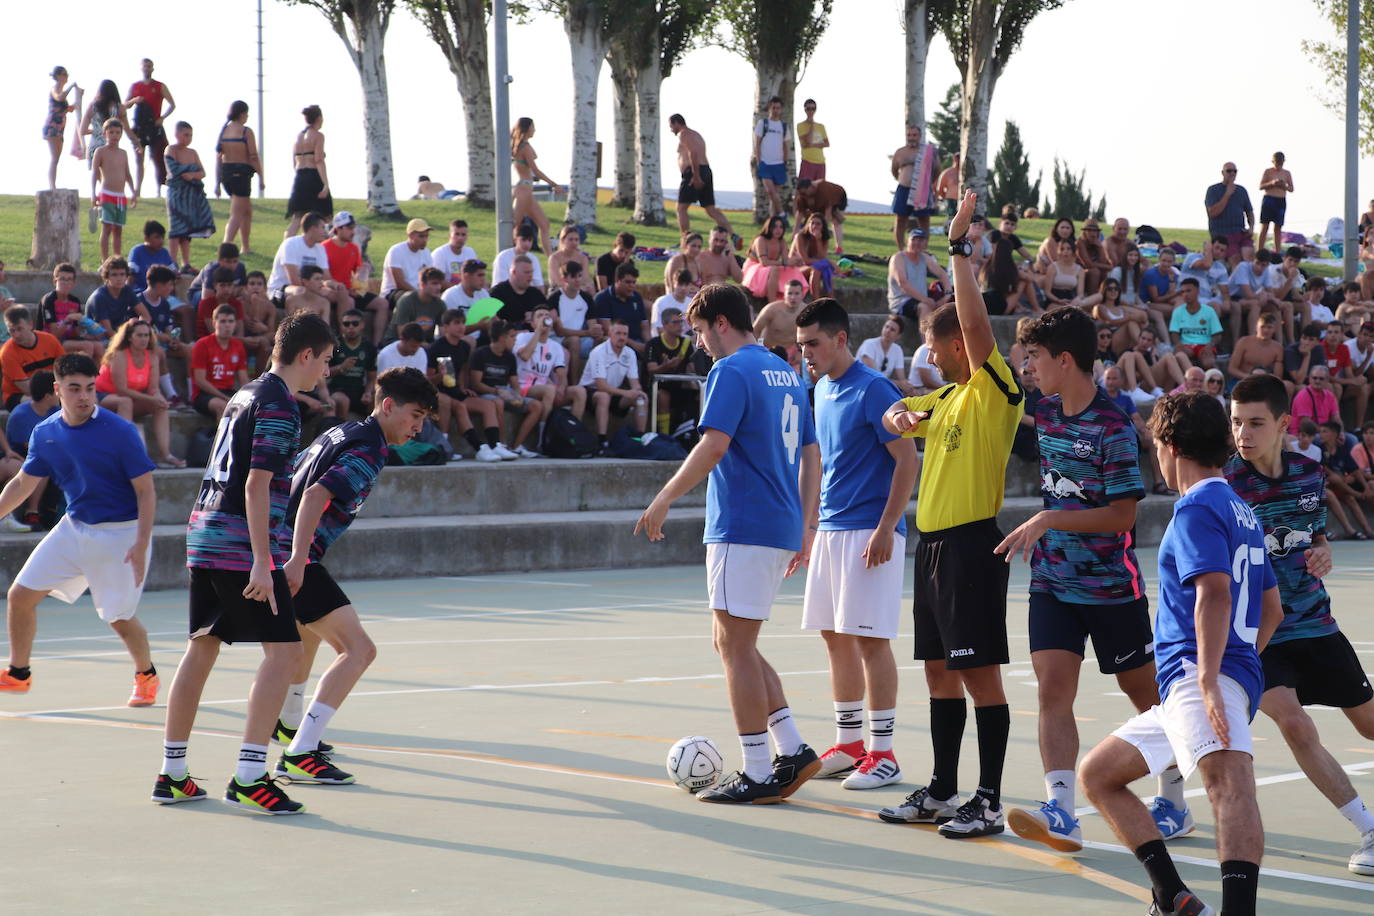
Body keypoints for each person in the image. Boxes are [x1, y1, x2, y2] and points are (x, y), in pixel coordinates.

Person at [1079, 391, 1281, 916]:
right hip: (1192, 682)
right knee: (1098, 774)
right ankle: (1171, 895)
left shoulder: (1196, 507)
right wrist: (1239, 665)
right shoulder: (1241, 508)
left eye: (1155, 447)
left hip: (1197, 673)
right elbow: (1272, 608)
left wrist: (1214, 678)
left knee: (1228, 786)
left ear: (1169, 444)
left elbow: (1213, 591)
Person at [995, 307, 1173, 855]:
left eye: (1035, 358)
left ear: (1065, 360)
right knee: (1052, 690)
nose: (1028, 368)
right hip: (1051, 582)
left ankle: (1173, 795)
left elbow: (1123, 516)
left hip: (1111, 589)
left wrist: (1050, 518)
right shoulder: (1045, 415)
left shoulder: (1115, 426)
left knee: (1146, 696)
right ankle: (1062, 810)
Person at [635, 283, 821, 804]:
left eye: (699, 331)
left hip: (743, 522)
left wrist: (665, 496)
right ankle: (793, 747)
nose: (699, 344)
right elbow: (811, 455)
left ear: (721, 323)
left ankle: (758, 770)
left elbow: (713, 442)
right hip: (780, 523)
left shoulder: (732, 369)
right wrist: (805, 524)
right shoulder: (786, 372)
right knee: (732, 642)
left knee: (734, 648)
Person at [875, 190, 1022, 838]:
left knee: (979, 674)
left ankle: (987, 799)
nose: (929, 358)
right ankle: (942, 787)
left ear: (959, 345)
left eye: (937, 350)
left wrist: (959, 249)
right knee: (938, 672)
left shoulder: (991, 390)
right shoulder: (945, 396)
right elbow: (895, 412)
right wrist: (897, 415)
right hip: (931, 547)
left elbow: (977, 326)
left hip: (969, 547)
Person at [155, 312, 334, 814]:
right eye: (323, 360)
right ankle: (252, 774)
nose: (324, 371)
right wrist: (262, 559)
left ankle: (172, 772)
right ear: (304, 356)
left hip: (204, 530)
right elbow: (256, 484)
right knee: (284, 653)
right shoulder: (280, 405)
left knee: (202, 647)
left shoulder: (243, 394)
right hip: (239, 543)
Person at [1225, 375, 1374, 874]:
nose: (1244, 433)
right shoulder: (1224, 487)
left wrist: (1325, 550)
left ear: (1284, 424)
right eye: (1237, 422)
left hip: (1316, 622)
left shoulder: (1310, 473)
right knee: (1294, 723)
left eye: (1256, 423)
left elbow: (1315, 536)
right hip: (1262, 637)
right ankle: (1369, 831)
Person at [277, 367, 438, 786]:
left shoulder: (343, 431)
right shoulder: (368, 449)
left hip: (279, 547)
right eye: (415, 415)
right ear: (388, 406)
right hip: (294, 557)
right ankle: (301, 753)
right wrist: (296, 558)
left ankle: (290, 723)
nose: (418, 426)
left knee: (308, 635)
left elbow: (293, 475)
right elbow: (313, 495)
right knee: (359, 650)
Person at [794, 298, 918, 790]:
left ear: (841, 339)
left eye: (814, 344)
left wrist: (888, 528)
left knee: (870, 641)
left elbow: (908, 460)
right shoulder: (820, 388)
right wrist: (809, 530)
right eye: (801, 346)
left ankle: (883, 753)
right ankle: (849, 745)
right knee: (832, 634)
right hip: (830, 528)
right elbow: (823, 463)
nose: (806, 354)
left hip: (870, 531)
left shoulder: (874, 388)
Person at [0, 354, 159, 703]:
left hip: (122, 533)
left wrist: (141, 543)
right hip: (74, 527)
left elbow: (146, 491)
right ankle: (19, 673)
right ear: (57, 390)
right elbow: (24, 484)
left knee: (118, 619)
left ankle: (146, 674)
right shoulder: (45, 433)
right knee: (19, 597)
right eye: (74, 389)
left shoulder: (120, 432)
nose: (85, 397)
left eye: (90, 388)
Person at [95, 319, 182, 468]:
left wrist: (159, 399)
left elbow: (153, 389)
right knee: (125, 401)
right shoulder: (120, 355)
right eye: (140, 335)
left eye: (147, 335)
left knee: (161, 406)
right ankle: (127, 454)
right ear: (130, 337)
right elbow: (121, 390)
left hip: (131, 398)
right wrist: (150, 398)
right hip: (103, 396)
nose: (144, 339)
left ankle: (165, 454)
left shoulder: (152, 356)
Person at [427, 310, 510, 461]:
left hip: (456, 391)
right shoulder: (436, 347)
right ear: (445, 327)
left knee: (489, 406)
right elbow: (428, 379)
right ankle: (472, 447)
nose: (461, 327)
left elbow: (463, 370)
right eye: (456, 323)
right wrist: (441, 376)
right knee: (459, 406)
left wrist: (463, 386)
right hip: (439, 392)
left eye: (463, 323)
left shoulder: (464, 346)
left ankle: (495, 445)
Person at [468, 319, 542, 457]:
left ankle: (517, 446)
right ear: (502, 338)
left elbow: (514, 383)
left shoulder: (510, 357)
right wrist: (497, 392)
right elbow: (476, 384)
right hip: (487, 394)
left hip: (506, 393)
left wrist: (517, 396)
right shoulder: (481, 354)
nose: (515, 340)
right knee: (498, 402)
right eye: (512, 336)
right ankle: (501, 445)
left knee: (536, 405)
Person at [580, 319, 648, 453]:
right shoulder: (598, 352)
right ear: (610, 333)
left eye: (625, 334)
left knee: (642, 398)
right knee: (604, 396)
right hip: (591, 392)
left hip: (614, 393)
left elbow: (634, 382)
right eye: (618, 333)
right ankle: (602, 441)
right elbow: (600, 385)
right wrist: (626, 393)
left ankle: (641, 438)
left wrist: (637, 391)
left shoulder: (630, 353)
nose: (622, 337)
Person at [1102, 364, 1169, 492]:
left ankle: (1158, 483)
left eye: (1114, 378)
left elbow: (1136, 418)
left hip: (1127, 435)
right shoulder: (1099, 395)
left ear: (1122, 380)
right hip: (1107, 436)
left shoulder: (1126, 399)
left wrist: (1145, 431)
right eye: (1108, 378)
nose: (1110, 382)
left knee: (1151, 440)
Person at [516, 305, 585, 429]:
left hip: (546, 390)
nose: (544, 318)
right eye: (540, 316)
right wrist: (538, 331)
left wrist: (562, 387)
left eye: (547, 315)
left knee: (579, 391)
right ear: (532, 323)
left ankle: (574, 433)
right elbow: (525, 356)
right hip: (522, 388)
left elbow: (561, 373)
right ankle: (543, 436)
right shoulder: (523, 337)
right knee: (549, 389)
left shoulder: (556, 346)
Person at [669, 114, 736, 241]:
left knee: (681, 208)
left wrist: (696, 176)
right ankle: (733, 234)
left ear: (677, 123)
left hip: (694, 173)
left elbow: (693, 153)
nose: (671, 129)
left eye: (671, 126)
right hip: (705, 170)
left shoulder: (684, 134)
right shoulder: (696, 135)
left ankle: (685, 240)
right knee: (710, 209)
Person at [164, 122, 215, 273]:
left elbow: (202, 173)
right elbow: (174, 169)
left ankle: (185, 263)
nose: (188, 138)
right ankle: (172, 263)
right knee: (176, 230)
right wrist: (191, 170)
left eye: (191, 135)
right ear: (177, 134)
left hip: (191, 195)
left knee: (187, 232)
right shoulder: (171, 149)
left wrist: (192, 174)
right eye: (186, 135)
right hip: (176, 193)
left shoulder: (192, 152)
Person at [509, 117, 563, 255]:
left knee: (544, 224)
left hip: (525, 190)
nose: (535, 130)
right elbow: (536, 170)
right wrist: (554, 184)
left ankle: (551, 258)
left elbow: (534, 157)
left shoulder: (521, 145)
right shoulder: (524, 147)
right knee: (514, 225)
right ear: (527, 128)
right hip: (523, 189)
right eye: (533, 127)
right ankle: (509, 254)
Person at [216, 100, 263, 256]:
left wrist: (217, 183)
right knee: (236, 213)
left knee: (246, 210)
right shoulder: (245, 132)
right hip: (241, 175)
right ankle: (226, 245)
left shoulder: (224, 131)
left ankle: (245, 246)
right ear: (242, 114)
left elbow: (218, 157)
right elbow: (254, 156)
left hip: (226, 174)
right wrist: (262, 177)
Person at [190, 305, 250, 419]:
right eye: (222, 321)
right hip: (204, 394)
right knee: (223, 406)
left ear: (235, 324)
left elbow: (244, 380)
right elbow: (200, 381)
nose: (227, 325)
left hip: (228, 392)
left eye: (230, 321)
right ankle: (222, 437)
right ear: (214, 323)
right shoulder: (202, 345)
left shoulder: (238, 346)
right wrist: (224, 398)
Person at [124, 59, 174, 198]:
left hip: (154, 125)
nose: (147, 68)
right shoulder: (135, 86)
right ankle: (137, 190)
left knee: (158, 158)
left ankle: (158, 190)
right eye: (145, 66)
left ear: (153, 69)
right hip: (140, 126)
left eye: (149, 66)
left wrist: (162, 118)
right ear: (141, 68)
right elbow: (125, 105)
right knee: (139, 159)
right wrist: (135, 100)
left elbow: (172, 104)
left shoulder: (159, 86)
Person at [1, 307, 67, 411]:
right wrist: (54, 397)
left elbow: (65, 370)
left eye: (19, 329)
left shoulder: (50, 340)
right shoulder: (7, 353)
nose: (16, 335)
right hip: (18, 395)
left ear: (30, 325)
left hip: (51, 390)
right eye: (12, 331)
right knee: (41, 403)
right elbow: (26, 388)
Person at [91, 119, 138, 260]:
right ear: (105, 133)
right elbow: (94, 173)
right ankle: (105, 260)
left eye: (117, 132)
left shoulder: (123, 153)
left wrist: (134, 192)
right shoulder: (100, 151)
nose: (114, 135)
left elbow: (127, 174)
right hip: (106, 194)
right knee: (107, 228)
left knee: (118, 230)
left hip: (120, 196)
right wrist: (93, 194)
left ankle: (117, 258)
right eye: (111, 132)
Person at [646, 307, 698, 434]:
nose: (680, 326)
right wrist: (666, 366)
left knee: (699, 393)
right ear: (664, 325)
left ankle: (690, 434)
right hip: (657, 387)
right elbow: (651, 370)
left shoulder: (685, 343)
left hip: (679, 385)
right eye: (675, 322)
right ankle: (664, 435)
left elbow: (691, 369)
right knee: (663, 396)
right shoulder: (654, 344)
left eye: (681, 322)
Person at [42, 263, 104, 362]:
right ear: (55, 281)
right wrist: (67, 320)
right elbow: (54, 335)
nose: (66, 283)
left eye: (69, 279)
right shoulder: (49, 300)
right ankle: (82, 376)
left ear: (74, 283)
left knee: (99, 346)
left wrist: (88, 334)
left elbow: (76, 331)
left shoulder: (75, 302)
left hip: (69, 339)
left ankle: (97, 377)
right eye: (62, 279)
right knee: (87, 346)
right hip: (51, 340)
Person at [890, 125, 940, 246]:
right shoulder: (900, 152)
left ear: (920, 136)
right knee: (901, 219)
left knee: (923, 220)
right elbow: (894, 170)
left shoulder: (929, 151)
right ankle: (901, 248)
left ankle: (923, 248)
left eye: (914, 135)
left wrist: (927, 183)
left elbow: (937, 169)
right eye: (909, 135)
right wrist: (903, 179)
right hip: (903, 189)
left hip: (922, 191)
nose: (911, 138)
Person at [286, 105, 331, 236]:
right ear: (319, 118)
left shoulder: (298, 137)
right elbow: (319, 160)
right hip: (314, 176)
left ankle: (286, 246)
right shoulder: (318, 136)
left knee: (297, 218)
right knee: (326, 216)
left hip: (300, 177)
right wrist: (325, 185)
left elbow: (294, 162)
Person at [591, 262, 650, 355]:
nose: (632, 286)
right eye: (628, 282)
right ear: (617, 280)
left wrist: (649, 344)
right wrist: (635, 344)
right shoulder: (603, 298)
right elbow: (608, 330)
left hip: (638, 340)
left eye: (634, 282)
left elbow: (644, 326)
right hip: (617, 341)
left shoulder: (636, 297)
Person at [327, 309, 378, 418]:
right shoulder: (334, 345)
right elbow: (322, 373)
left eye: (355, 323)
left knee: (377, 400)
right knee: (342, 400)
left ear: (362, 325)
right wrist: (341, 367)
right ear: (341, 326)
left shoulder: (369, 348)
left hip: (359, 389)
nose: (351, 327)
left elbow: (371, 378)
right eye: (346, 324)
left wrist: (368, 392)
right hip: (336, 388)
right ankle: (341, 433)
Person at [1205, 161, 1255, 263]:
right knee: (1235, 258)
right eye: (1229, 171)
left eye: (1235, 171)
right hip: (1222, 233)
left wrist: (1251, 228)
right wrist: (1227, 194)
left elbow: (1249, 212)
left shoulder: (1241, 190)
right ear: (1222, 173)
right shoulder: (1213, 190)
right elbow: (1213, 213)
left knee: (1249, 257)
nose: (1232, 173)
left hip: (1240, 231)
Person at [1169, 279, 1222, 370]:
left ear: (1197, 291)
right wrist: (1178, 344)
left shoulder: (1209, 311)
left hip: (1204, 345)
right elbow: (1174, 333)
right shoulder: (1178, 312)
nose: (1185, 294)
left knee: (1208, 363)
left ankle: (1217, 380)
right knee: (1179, 354)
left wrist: (1210, 345)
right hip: (1186, 345)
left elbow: (1217, 334)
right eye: (1183, 292)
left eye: (1189, 291)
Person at [752, 97, 790, 221]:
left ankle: (773, 222)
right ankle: (783, 215)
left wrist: (785, 162)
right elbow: (757, 143)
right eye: (773, 107)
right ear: (769, 108)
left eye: (778, 108)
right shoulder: (763, 123)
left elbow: (786, 146)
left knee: (774, 196)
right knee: (770, 191)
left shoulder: (783, 126)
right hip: (765, 163)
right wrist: (759, 161)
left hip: (779, 164)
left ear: (781, 110)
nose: (775, 110)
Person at [388, 267, 447, 341]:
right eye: (434, 283)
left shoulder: (440, 304)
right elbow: (403, 334)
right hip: (398, 343)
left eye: (440, 284)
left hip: (426, 344)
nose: (438, 287)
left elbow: (444, 333)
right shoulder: (406, 301)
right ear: (422, 284)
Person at [491, 255, 548, 332]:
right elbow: (493, 326)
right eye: (526, 272)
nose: (530, 275)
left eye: (531, 272)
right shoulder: (498, 293)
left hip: (534, 338)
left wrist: (536, 316)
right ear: (514, 272)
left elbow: (549, 318)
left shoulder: (536, 294)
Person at [44, 66, 77, 191]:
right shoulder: (55, 89)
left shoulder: (61, 91)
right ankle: (52, 186)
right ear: (57, 76)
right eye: (64, 74)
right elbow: (59, 97)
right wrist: (71, 87)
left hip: (60, 127)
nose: (66, 77)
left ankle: (53, 185)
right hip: (53, 126)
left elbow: (64, 108)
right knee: (54, 157)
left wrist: (73, 106)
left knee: (57, 158)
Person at [753, 280, 808, 354]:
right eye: (789, 293)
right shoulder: (771, 310)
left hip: (792, 352)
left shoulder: (806, 311)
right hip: (770, 351)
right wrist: (757, 350)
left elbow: (809, 336)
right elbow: (755, 330)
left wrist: (799, 352)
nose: (793, 297)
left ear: (802, 295)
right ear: (784, 295)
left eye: (797, 294)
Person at [1228, 312, 1284, 383]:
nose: (1265, 330)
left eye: (1269, 327)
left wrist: (1265, 378)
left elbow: (1278, 377)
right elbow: (1231, 369)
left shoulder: (1278, 348)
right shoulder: (1244, 342)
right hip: (1242, 380)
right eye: (1262, 327)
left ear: (1274, 329)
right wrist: (1250, 377)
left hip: (1264, 382)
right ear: (1256, 327)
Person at [856, 316, 908, 390]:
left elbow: (902, 378)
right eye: (886, 327)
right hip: (862, 386)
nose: (888, 331)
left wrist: (907, 387)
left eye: (892, 330)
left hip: (882, 386)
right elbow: (873, 376)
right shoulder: (869, 344)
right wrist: (898, 383)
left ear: (898, 336)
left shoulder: (897, 349)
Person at [1257, 152, 1293, 255]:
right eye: (1277, 163)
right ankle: (1260, 251)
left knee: (1278, 227)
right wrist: (1272, 183)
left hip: (1280, 201)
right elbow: (1261, 186)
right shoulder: (1268, 172)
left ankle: (1277, 252)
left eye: (1280, 163)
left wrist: (1283, 186)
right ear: (1273, 162)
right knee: (1264, 226)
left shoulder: (1286, 173)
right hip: (1269, 199)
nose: (1278, 166)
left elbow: (1291, 188)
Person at [127, 220, 176, 296]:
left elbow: (173, 274)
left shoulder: (164, 253)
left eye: (162, 237)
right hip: (141, 293)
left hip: (162, 294)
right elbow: (130, 276)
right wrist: (127, 295)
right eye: (157, 237)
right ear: (146, 238)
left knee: (185, 308)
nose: (161, 241)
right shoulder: (137, 251)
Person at [493, 224, 546, 293]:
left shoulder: (534, 260)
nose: (527, 244)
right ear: (515, 240)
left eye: (530, 240)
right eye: (523, 240)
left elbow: (539, 285)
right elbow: (500, 285)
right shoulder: (503, 257)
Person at [789, 213, 833, 295]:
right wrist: (828, 262)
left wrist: (818, 241)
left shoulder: (824, 239)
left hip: (811, 268)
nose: (814, 226)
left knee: (826, 270)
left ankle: (832, 301)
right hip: (795, 268)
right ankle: (816, 302)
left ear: (823, 227)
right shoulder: (800, 236)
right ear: (808, 224)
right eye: (812, 223)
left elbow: (822, 257)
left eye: (818, 224)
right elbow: (806, 261)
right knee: (817, 269)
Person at [431, 219, 479, 287]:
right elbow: (438, 281)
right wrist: (461, 291)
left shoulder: (470, 252)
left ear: (467, 237)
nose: (460, 238)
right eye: (457, 234)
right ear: (450, 235)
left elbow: (478, 270)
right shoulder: (439, 254)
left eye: (463, 235)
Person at [546, 224, 591, 295]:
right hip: (558, 291)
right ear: (563, 240)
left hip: (578, 289)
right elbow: (557, 281)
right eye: (570, 239)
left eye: (576, 240)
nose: (574, 243)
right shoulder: (554, 258)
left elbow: (585, 279)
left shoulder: (583, 258)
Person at [1041, 238, 1085, 309]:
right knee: (1060, 309)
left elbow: (1081, 293)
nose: (1065, 252)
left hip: (1071, 299)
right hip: (1054, 299)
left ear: (1073, 251)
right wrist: (1058, 300)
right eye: (1062, 249)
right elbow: (1047, 292)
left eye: (1068, 249)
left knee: (1097, 297)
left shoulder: (1080, 270)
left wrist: (1076, 300)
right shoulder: (1053, 267)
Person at [1076, 219, 1113, 294]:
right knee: (1095, 272)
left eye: (1095, 231)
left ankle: (1103, 296)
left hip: (1090, 273)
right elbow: (1088, 264)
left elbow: (1103, 261)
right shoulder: (1080, 243)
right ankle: (1091, 297)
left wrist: (1100, 247)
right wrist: (1109, 267)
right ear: (1084, 232)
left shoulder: (1097, 243)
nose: (1092, 234)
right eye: (1089, 231)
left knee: (1104, 272)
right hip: (1078, 272)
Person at [795, 98, 828, 182]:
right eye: (808, 109)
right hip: (808, 161)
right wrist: (812, 126)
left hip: (820, 162)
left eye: (813, 108)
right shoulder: (800, 125)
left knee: (820, 189)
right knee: (805, 189)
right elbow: (807, 142)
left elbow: (827, 143)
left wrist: (812, 145)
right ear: (805, 110)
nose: (811, 111)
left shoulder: (821, 126)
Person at [936, 153, 961, 221]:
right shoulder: (947, 173)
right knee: (952, 219)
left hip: (963, 200)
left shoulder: (967, 172)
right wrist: (946, 198)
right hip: (951, 200)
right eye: (958, 158)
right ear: (954, 159)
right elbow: (939, 189)